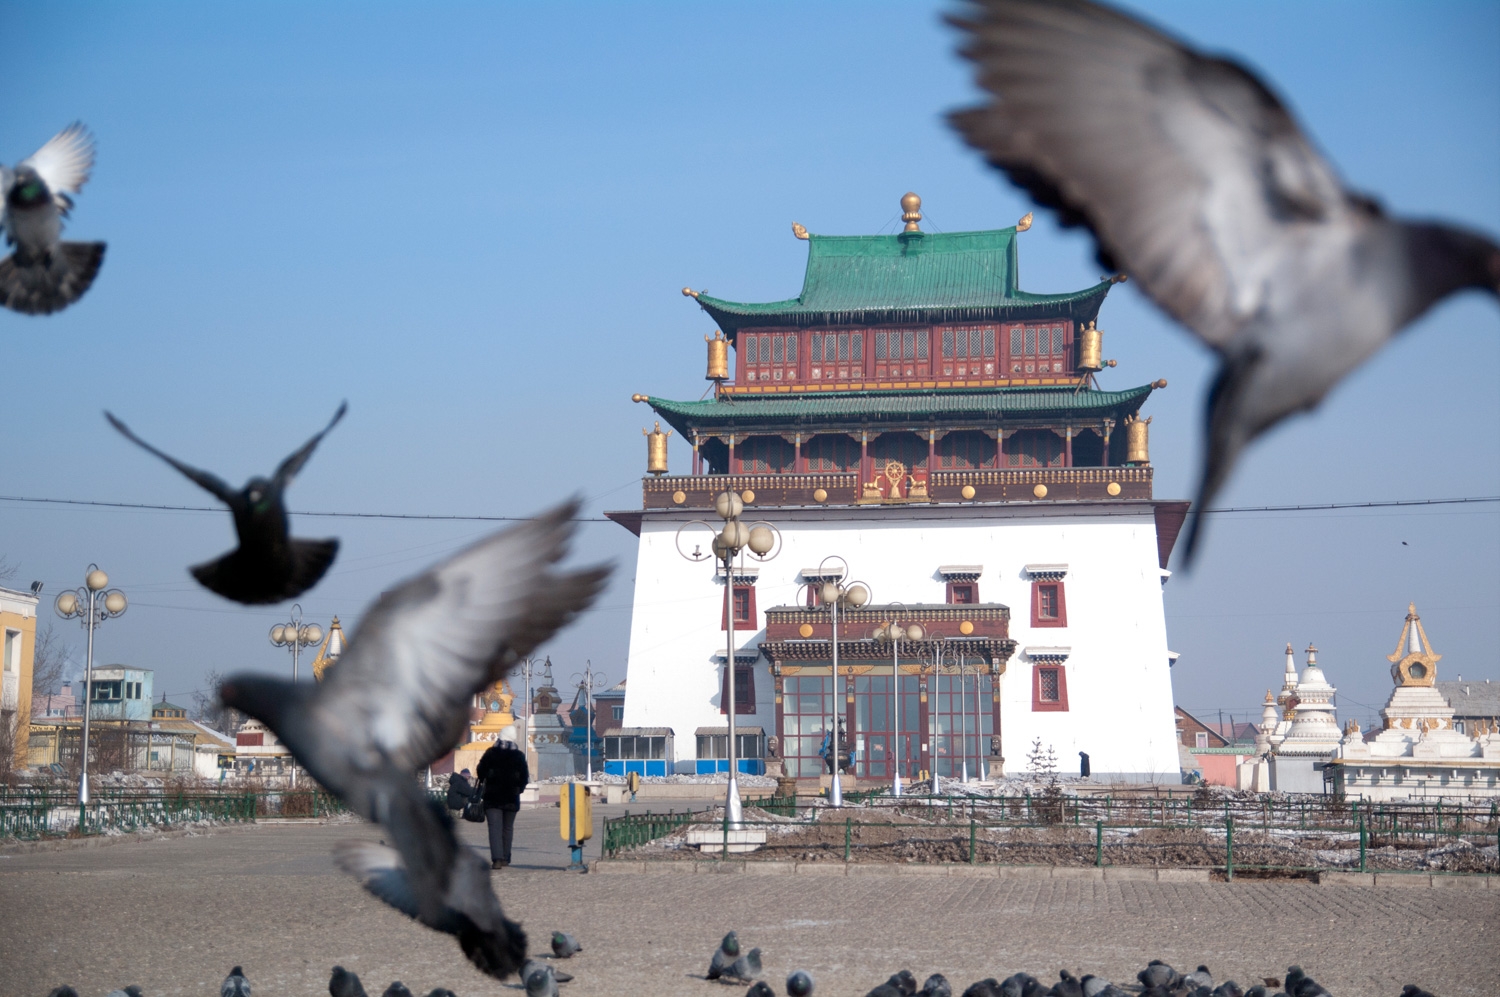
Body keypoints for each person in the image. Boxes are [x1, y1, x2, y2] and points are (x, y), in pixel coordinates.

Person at [476, 727, 529, 870]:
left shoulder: (491, 753)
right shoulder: (519, 756)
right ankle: (506, 858)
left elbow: (480, 772)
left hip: (492, 797)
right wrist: (518, 789)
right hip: (511, 797)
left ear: (500, 737)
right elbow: (525, 777)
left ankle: (497, 859)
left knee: (494, 828)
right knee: (507, 828)